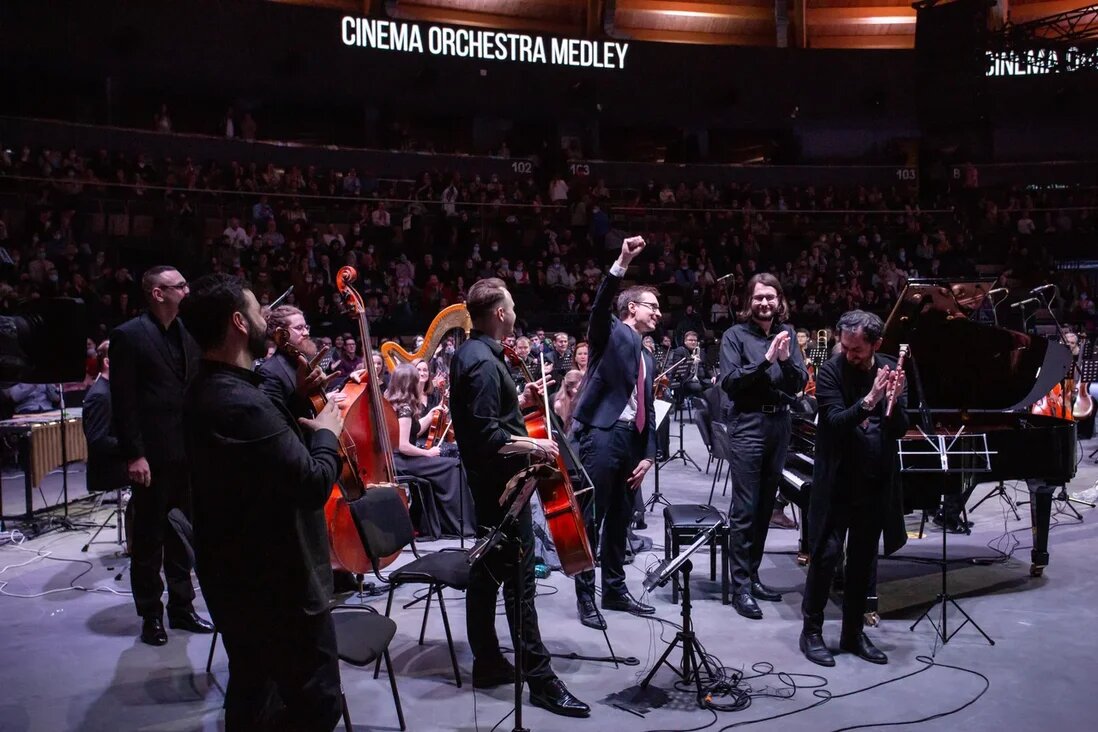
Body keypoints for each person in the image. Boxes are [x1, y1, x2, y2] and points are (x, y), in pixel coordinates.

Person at [182, 273, 344, 730]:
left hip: (242, 579)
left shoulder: (214, 387)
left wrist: (294, 395)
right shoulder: (238, 401)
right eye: (257, 312)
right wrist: (328, 434)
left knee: (255, 693)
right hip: (275, 586)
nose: (265, 322)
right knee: (315, 702)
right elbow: (313, 483)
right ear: (238, 322)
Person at [449, 277, 590, 718]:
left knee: (486, 574)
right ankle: (541, 681)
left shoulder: (472, 355)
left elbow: (488, 416)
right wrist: (537, 446)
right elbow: (488, 434)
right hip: (504, 491)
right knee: (520, 585)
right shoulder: (485, 364)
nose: (514, 314)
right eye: (510, 308)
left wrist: (522, 397)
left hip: (490, 486)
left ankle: (488, 661)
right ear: (499, 314)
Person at [109, 265, 211, 645]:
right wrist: (135, 455)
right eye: (180, 285)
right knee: (149, 540)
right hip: (152, 457)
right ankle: (151, 615)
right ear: (158, 293)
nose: (188, 290)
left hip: (188, 453)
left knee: (183, 538)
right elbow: (125, 403)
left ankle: (182, 609)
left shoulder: (188, 333)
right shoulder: (129, 336)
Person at [800, 310, 908, 667]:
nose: (849, 353)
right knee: (827, 555)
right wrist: (870, 401)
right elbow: (833, 423)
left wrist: (896, 400)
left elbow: (898, 429)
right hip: (838, 479)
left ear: (876, 344)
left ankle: (852, 634)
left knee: (863, 561)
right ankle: (811, 632)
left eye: (857, 349)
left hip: (875, 479)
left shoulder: (891, 366)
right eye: (844, 346)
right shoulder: (831, 370)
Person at [571, 235, 658, 630]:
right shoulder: (610, 333)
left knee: (622, 519)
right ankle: (586, 596)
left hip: (631, 443)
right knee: (592, 517)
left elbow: (648, 408)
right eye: (652, 307)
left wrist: (649, 454)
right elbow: (600, 305)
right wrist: (620, 262)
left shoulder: (647, 354)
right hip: (602, 436)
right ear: (632, 309)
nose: (658, 314)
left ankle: (615, 590)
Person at [719, 272, 807, 620]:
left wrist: (784, 359)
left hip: (780, 424)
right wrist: (767, 360)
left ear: (779, 300)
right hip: (749, 423)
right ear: (748, 302)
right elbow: (730, 382)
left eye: (770, 297)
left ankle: (752, 576)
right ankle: (740, 586)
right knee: (744, 508)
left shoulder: (788, 335)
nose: (765, 303)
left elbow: (799, 381)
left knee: (765, 508)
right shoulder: (734, 336)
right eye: (758, 298)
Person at [385, 363, 473, 538]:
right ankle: (456, 525)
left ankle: (440, 523)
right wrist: (428, 453)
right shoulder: (405, 408)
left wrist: (432, 412)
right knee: (452, 466)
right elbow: (403, 445)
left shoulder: (394, 404)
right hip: (401, 460)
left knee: (448, 464)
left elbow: (414, 432)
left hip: (397, 459)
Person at [81, 340, 127, 494]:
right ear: (107, 362)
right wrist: (133, 445)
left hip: (119, 463)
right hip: (110, 470)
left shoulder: (111, 389)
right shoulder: (100, 395)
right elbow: (98, 440)